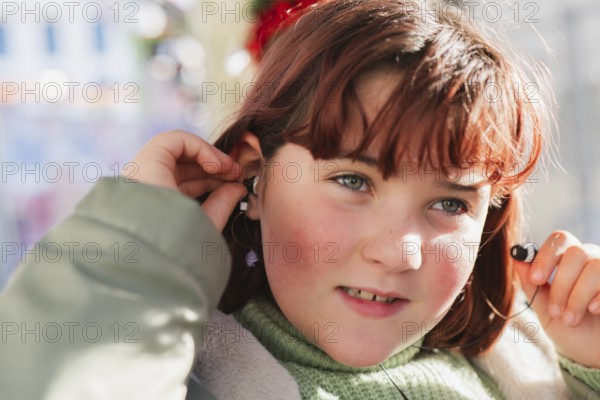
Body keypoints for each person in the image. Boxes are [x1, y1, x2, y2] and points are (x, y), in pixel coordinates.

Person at [1, 0, 599, 399]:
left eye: (449, 203)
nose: (400, 253)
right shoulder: (175, 375)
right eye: (353, 181)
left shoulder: (532, 375)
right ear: (255, 176)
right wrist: (135, 253)